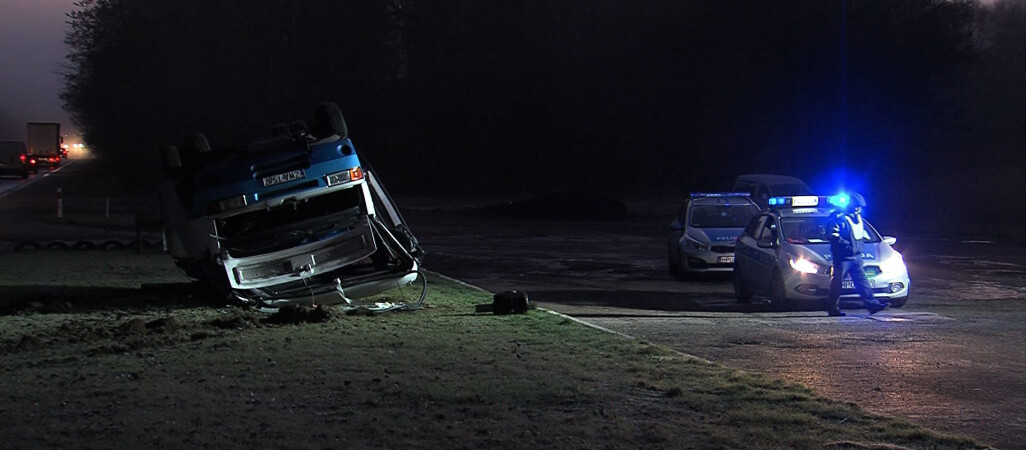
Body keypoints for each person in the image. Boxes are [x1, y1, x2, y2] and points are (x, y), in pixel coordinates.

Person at [826, 193, 888, 317]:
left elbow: (862, 235)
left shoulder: (858, 219)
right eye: (855, 206)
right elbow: (833, 237)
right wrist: (848, 247)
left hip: (856, 257)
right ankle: (833, 309)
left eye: (859, 207)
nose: (858, 209)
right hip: (843, 258)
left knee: (862, 282)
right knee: (837, 284)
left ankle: (872, 305)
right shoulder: (839, 219)